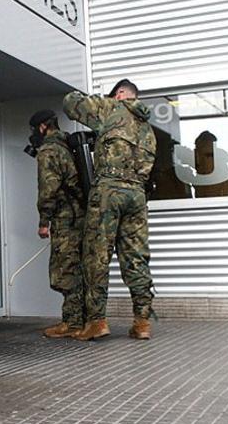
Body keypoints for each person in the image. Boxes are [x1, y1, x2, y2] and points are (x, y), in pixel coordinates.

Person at [63, 79, 157, 341]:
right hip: (137, 194)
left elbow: (70, 102)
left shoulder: (110, 108)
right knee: (136, 257)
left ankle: (96, 321)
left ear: (120, 94)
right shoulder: (148, 128)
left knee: (96, 254)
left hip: (109, 191)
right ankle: (142, 323)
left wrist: (96, 96)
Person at [29, 109, 87, 338]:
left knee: (65, 269)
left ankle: (72, 322)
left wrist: (44, 220)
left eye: (35, 129)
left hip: (66, 218)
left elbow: (48, 188)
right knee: (78, 267)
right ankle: (82, 319)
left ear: (43, 127)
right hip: (79, 216)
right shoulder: (67, 147)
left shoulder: (48, 151)